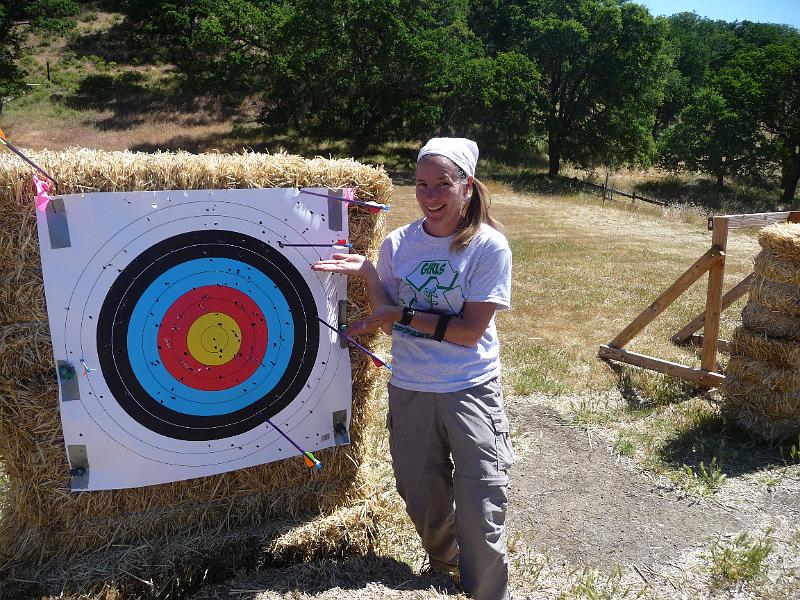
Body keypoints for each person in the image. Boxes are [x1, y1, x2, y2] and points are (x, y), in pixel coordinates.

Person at [312, 137, 514, 600]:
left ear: (467, 186)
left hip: (469, 388)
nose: (430, 196)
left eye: (442, 184)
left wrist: (401, 316)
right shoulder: (400, 243)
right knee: (418, 490)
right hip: (410, 386)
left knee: (480, 501)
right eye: (421, 184)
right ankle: (447, 566)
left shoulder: (488, 246)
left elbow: (467, 331)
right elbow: (389, 318)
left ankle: (486, 592)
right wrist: (367, 271)